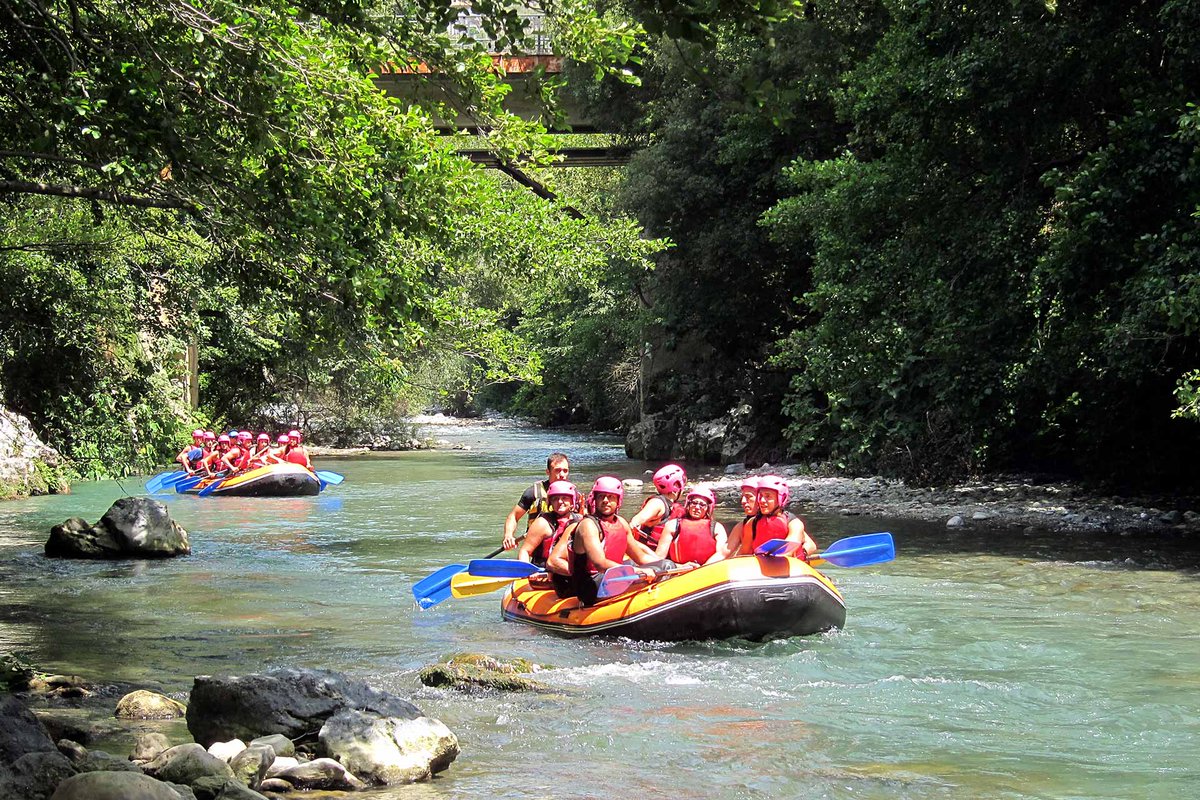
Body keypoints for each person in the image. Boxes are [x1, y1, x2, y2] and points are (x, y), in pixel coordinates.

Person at [547, 475, 658, 605]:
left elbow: (641, 557)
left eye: (611, 496)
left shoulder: (621, 523)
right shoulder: (588, 525)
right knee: (632, 571)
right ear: (595, 499)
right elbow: (600, 563)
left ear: (618, 500)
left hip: (612, 576)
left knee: (666, 566)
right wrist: (637, 571)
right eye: (601, 496)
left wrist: (677, 566)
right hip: (592, 583)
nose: (605, 500)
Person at [501, 452, 571, 551]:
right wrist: (508, 536)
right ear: (548, 472)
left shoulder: (573, 494)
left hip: (563, 548)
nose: (562, 475)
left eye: (565, 470)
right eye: (557, 470)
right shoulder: (533, 492)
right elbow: (513, 516)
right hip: (537, 547)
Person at [737, 475, 818, 559]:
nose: (762, 501)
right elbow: (744, 553)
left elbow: (789, 549)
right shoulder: (752, 523)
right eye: (760, 496)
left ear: (780, 499)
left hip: (790, 565)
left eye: (768, 496)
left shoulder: (794, 523)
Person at [653, 487, 727, 568]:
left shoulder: (717, 528)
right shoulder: (673, 525)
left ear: (708, 508)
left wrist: (702, 568)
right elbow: (659, 559)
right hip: (679, 571)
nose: (697, 507)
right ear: (688, 504)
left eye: (702, 505)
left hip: (707, 571)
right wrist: (681, 566)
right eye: (694, 503)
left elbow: (722, 556)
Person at [629, 463, 687, 552]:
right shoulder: (658, 503)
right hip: (649, 554)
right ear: (676, 485)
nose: (683, 489)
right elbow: (635, 522)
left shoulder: (670, 505)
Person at [723, 476, 760, 559]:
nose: (742, 501)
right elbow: (723, 553)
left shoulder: (791, 522)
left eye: (748, 497)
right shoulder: (741, 527)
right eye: (742, 497)